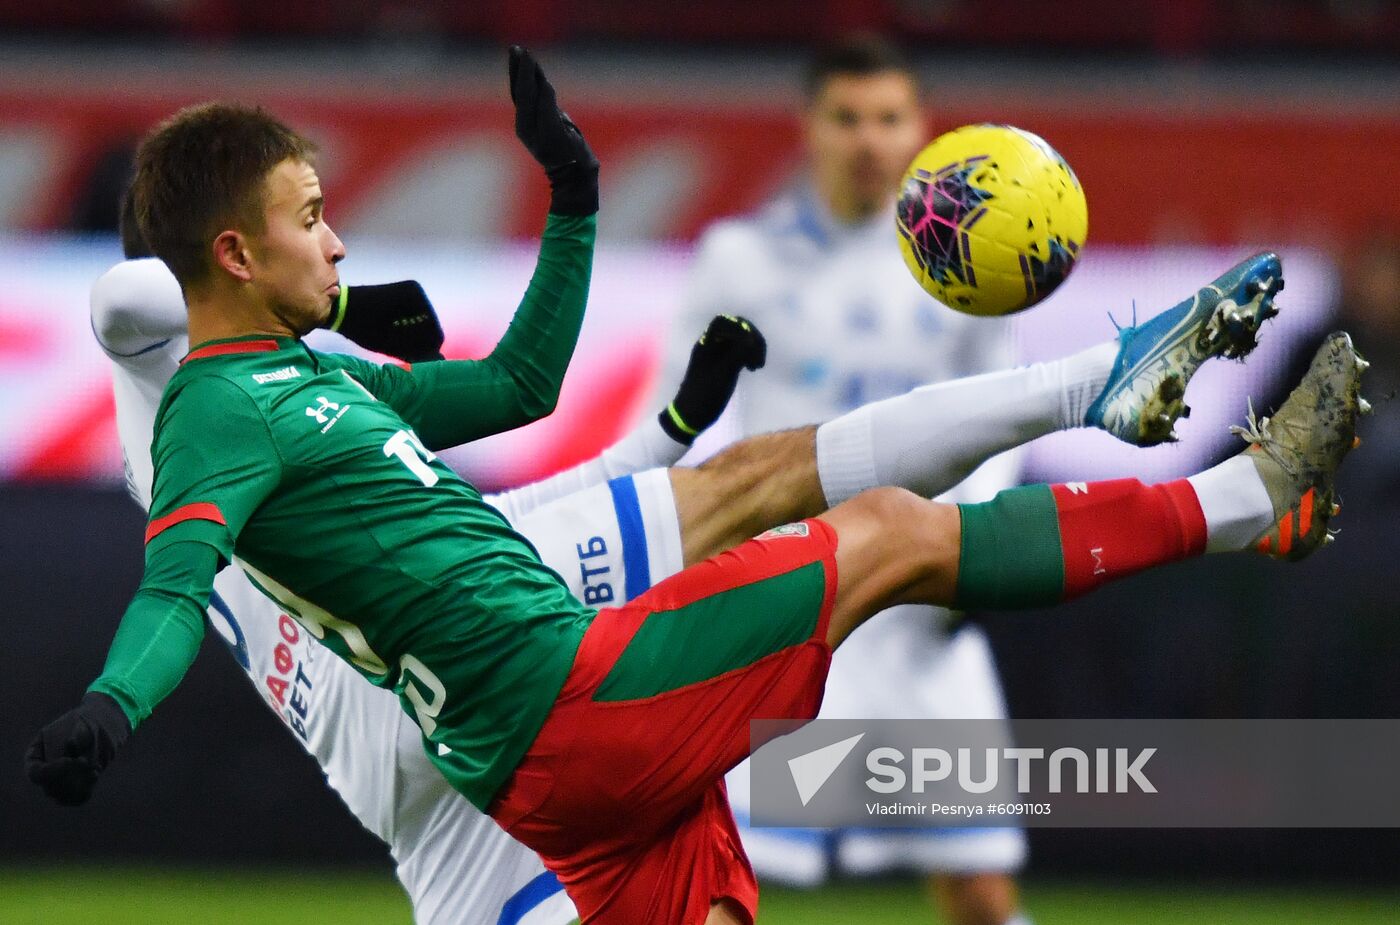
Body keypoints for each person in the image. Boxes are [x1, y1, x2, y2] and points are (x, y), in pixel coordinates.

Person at [29, 47, 1365, 925]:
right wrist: (110, 701)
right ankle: (1231, 491)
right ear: (231, 252)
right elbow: (156, 476)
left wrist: (574, 200)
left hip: (519, 675)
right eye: (307, 213)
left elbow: (518, 392)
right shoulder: (200, 409)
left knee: (756, 482)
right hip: (501, 736)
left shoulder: (322, 388)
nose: (337, 229)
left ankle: (1110, 397)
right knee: (883, 536)